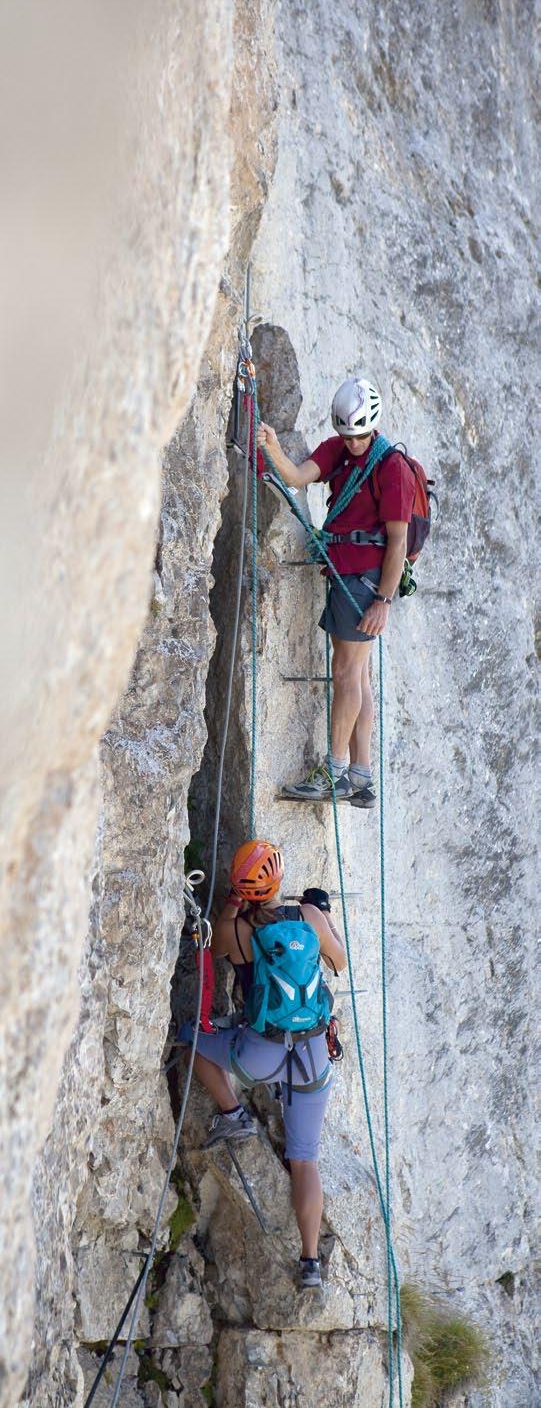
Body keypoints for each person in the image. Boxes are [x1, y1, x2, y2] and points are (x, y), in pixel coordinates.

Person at [180, 839, 346, 1289]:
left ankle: (234, 1114)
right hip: (312, 1059)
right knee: (305, 1158)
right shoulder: (308, 918)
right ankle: (309, 1261)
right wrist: (322, 914)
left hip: (259, 1056)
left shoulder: (239, 932)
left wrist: (234, 906)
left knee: (189, 1041)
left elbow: (213, 947)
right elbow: (340, 961)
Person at [257, 376, 416, 806]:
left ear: (372, 427)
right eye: (348, 436)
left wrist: (383, 601)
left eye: (361, 435)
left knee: (346, 673)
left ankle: (336, 771)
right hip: (345, 576)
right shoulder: (336, 451)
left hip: (364, 583)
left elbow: (398, 542)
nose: (355, 443)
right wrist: (271, 444)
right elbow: (294, 476)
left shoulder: (392, 469)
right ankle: (360, 775)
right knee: (358, 675)